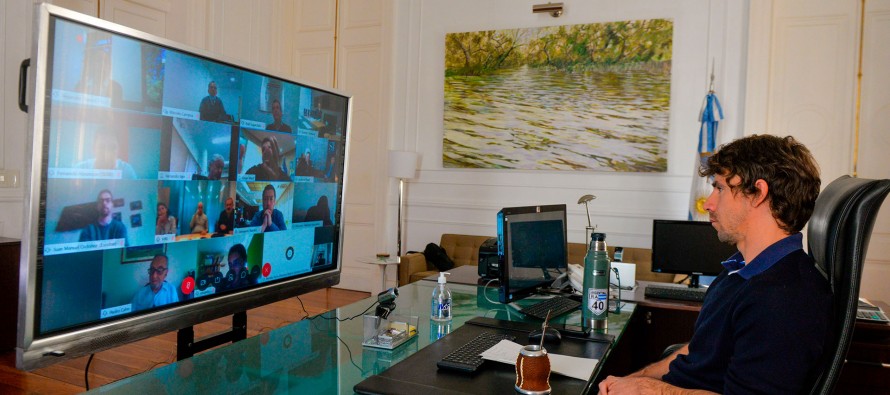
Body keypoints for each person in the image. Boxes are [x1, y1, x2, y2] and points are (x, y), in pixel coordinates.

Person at [599, 135, 830, 395]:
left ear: (758, 193)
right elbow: (701, 347)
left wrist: (647, 389)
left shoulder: (783, 297)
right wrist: (633, 379)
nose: (708, 203)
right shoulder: (740, 269)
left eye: (719, 188)